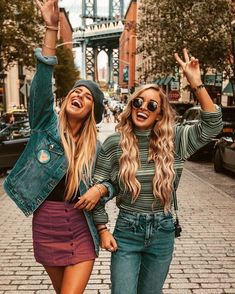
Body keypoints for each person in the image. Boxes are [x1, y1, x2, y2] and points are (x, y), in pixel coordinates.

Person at [90, 48, 223, 293]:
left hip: (162, 230)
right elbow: (97, 187)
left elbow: (213, 125)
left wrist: (197, 83)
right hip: (127, 230)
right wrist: (102, 229)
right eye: (138, 102)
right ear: (131, 106)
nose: (144, 108)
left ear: (159, 113)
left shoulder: (176, 140)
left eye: (152, 105)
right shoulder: (114, 144)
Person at [3, 0, 110, 293]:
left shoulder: (96, 148)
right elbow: (42, 79)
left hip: (80, 225)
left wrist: (101, 189)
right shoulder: (45, 125)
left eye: (87, 97)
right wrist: (51, 27)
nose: (79, 95)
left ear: (92, 111)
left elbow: (111, 182)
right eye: (76, 91)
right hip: (47, 224)